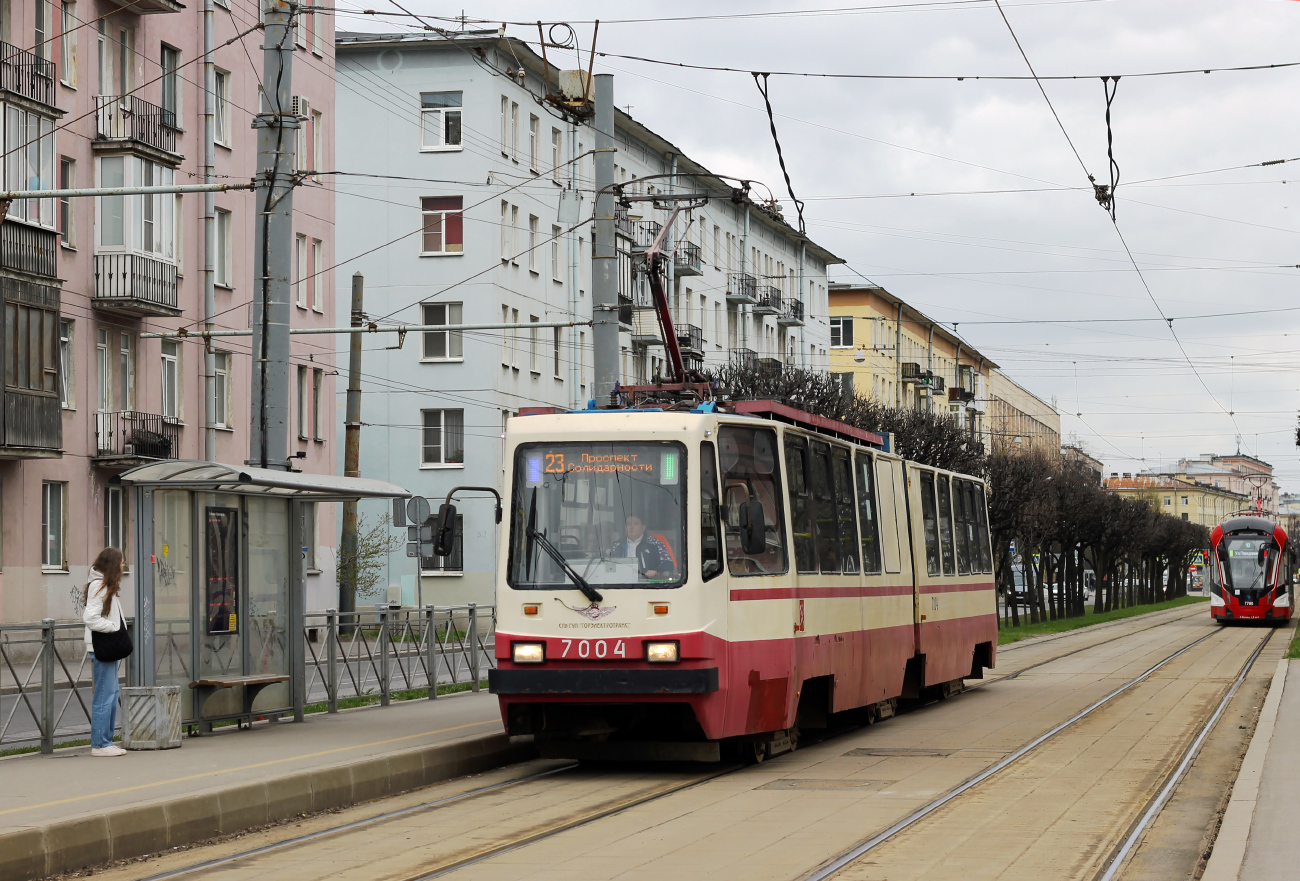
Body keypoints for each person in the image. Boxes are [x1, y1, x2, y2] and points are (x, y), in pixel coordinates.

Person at [83, 547, 127, 757]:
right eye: (121, 562)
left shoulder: (103, 584)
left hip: (106, 647)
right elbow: (90, 618)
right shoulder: (98, 585)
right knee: (104, 695)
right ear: (112, 564)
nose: (123, 565)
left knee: (111, 693)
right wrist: (113, 629)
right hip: (102, 646)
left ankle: (106, 740)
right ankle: (100, 744)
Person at [610, 514, 672, 579]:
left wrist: (656, 571)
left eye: (635, 523)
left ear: (643, 527)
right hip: (621, 582)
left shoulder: (655, 543)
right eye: (628, 524)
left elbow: (668, 563)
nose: (631, 527)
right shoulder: (617, 545)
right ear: (625, 528)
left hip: (647, 584)